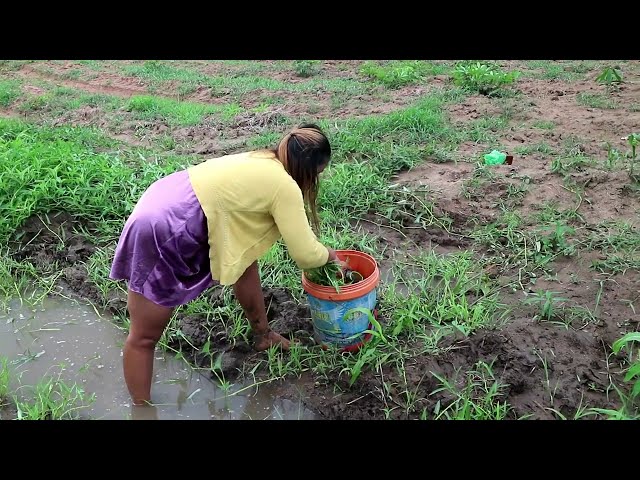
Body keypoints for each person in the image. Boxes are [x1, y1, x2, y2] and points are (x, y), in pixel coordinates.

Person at [109, 123, 343, 406]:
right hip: (166, 227)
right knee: (144, 337)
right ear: (310, 171)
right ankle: (141, 410)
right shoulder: (284, 186)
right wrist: (332, 256)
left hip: (167, 197)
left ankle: (263, 335)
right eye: (319, 174)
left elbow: (244, 252)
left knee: (246, 263)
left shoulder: (260, 159)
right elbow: (306, 255)